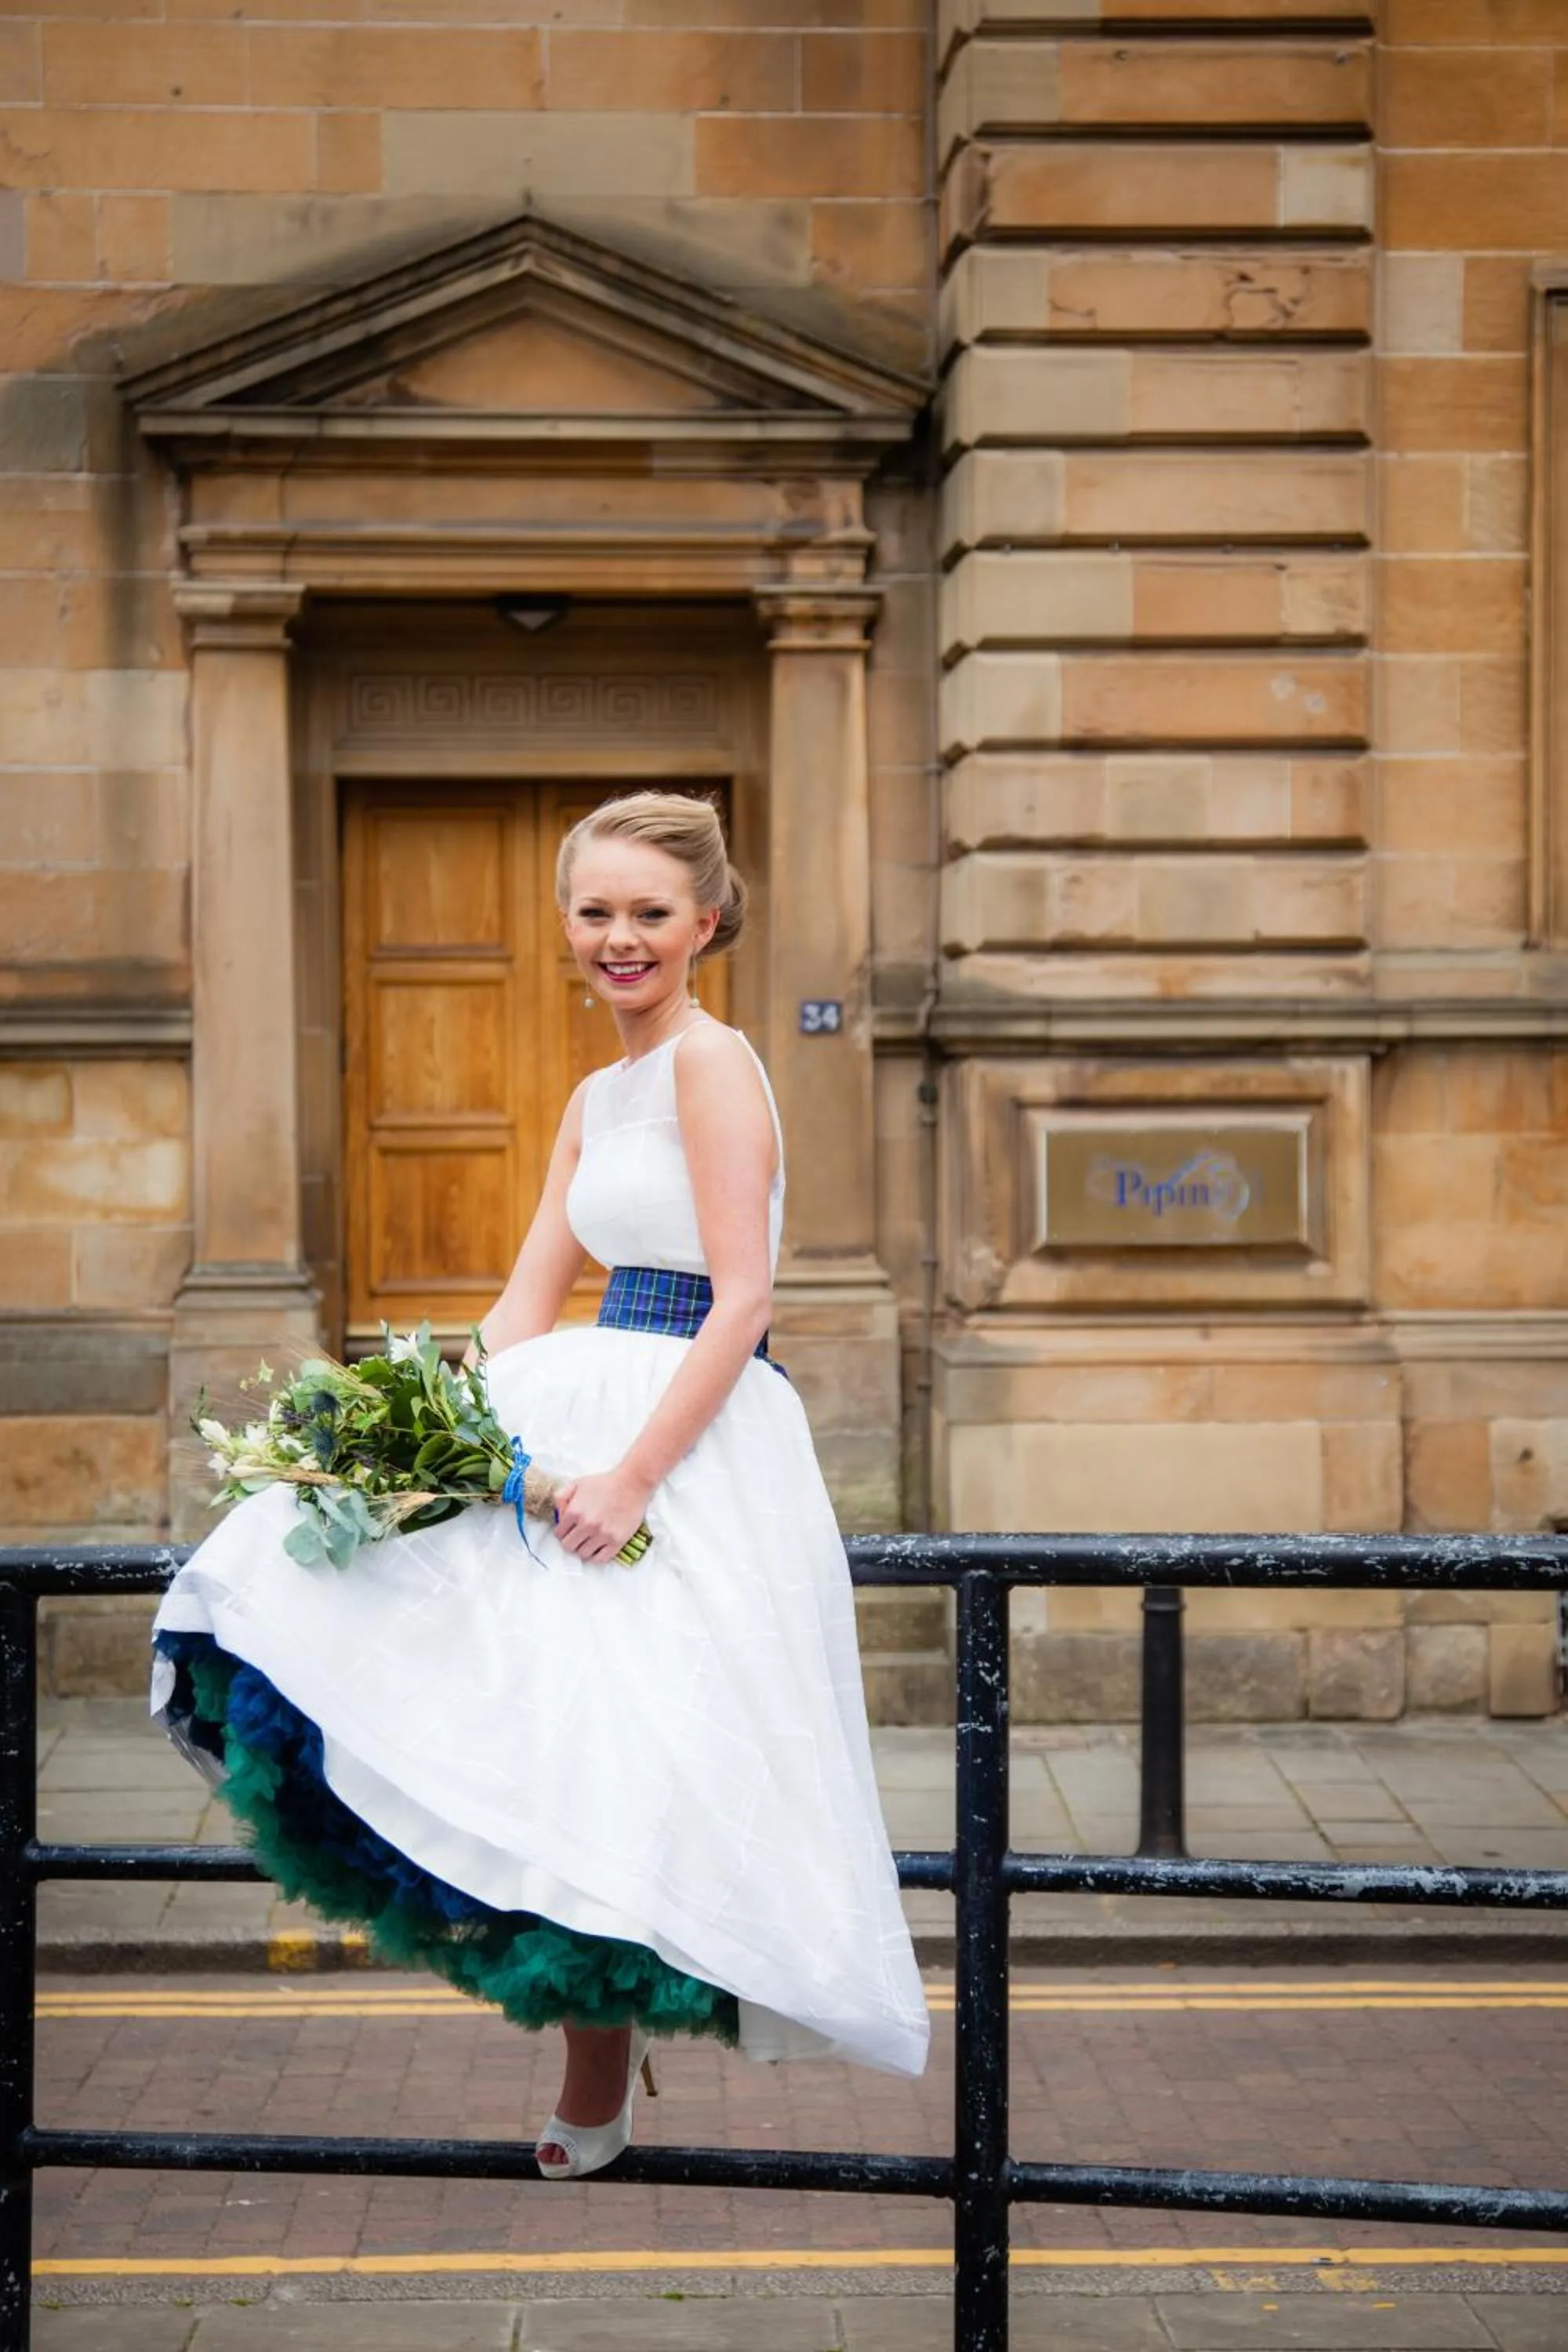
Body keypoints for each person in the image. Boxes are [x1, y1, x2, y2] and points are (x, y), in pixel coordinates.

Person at [150, 788, 929, 2181]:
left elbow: (745, 1300)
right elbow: (525, 1298)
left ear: (707, 921)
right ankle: (592, 2049)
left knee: (631, 1747)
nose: (620, 937)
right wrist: (412, 1432)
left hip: (687, 1438)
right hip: (576, 1402)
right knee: (529, 1720)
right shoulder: (593, 1095)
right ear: (565, 922)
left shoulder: (715, 1064)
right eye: (595, 911)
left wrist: (633, 1478)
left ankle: (598, 2064)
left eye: (650, 913)